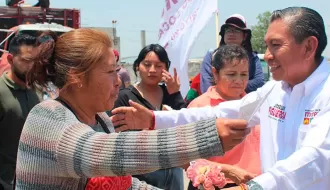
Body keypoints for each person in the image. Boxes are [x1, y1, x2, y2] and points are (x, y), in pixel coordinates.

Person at [111, 7, 330, 190]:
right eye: (267, 46)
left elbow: (315, 157)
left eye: (276, 45)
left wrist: (250, 188)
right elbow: (218, 113)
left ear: (309, 46)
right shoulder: (275, 90)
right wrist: (154, 119)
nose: (267, 56)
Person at [15, 28, 249, 190]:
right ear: (77, 77)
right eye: (110, 72)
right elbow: (110, 152)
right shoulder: (46, 118)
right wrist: (206, 135)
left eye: (118, 71)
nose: (118, 81)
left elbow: (124, 183)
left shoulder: (102, 120)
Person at [187, 44, 260, 189]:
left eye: (244, 74)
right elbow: (187, 160)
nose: (239, 80)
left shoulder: (256, 104)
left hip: (251, 183)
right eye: (231, 74)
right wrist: (228, 171)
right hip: (212, 185)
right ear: (215, 73)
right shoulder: (199, 107)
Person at [114, 44, 186, 189]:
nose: (152, 70)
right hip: (141, 174)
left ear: (166, 68)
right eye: (147, 65)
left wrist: (175, 94)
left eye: (158, 65)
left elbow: (185, 125)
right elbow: (116, 135)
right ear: (137, 67)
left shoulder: (170, 93)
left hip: (173, 173)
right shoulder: (125, 97)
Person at [0, 33, 41, 190]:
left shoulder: (35, 91)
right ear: (10, 59)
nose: (32, 66)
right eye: (26, 61)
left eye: (35, 61)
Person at [200, 14, 264, 95]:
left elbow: (259, 82)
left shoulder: (252, 57)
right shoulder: (211, 56)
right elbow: (206, 84)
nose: (231, 33)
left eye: (236, 30)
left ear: (245, 36)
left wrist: (231, 88)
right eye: (228, 30)